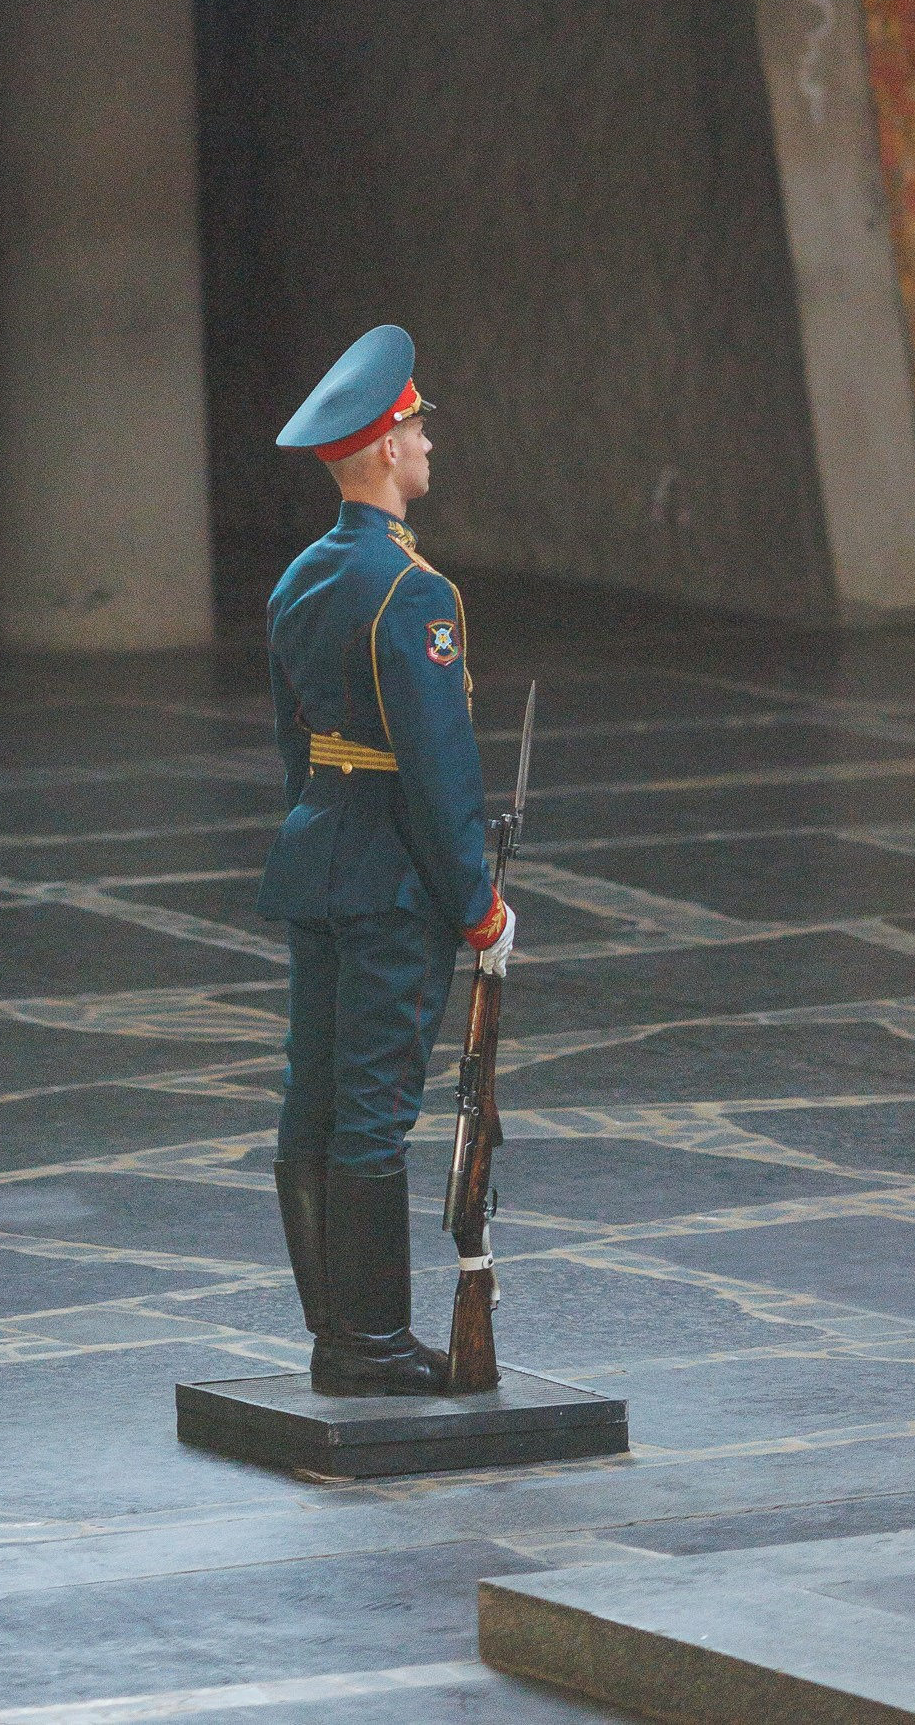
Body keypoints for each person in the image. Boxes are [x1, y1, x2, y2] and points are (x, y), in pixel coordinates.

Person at [261, 326, 515, 1398]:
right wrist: (478, 905)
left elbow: (295, 743)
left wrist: (320, 832)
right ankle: (365, 1342)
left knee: (311, 1098)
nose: (424, 438)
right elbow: (436, 771)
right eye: (412, 423)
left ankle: (335, 1330)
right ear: (377, 451)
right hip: (391, 881)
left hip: (319, 858)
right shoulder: (413, 593)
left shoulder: (304, 576)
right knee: (370, 1109)